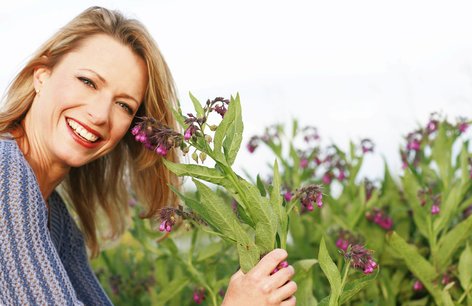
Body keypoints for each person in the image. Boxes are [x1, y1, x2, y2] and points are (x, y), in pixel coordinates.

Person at [0, 6, 297, 305]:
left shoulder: (56, 218)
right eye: (88, 82)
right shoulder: (6, 176)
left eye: (124, 105)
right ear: (42, 75)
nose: (100, 114)